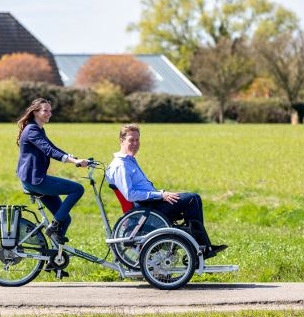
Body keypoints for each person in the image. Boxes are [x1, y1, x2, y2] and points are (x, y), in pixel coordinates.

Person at [105, 124, 227, 259]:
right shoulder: (120, 165)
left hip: (151, 204)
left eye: (137, 140)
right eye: (131, 140)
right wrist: (161, 195)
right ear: (122, 141)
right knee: (192, 199)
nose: (135, 144)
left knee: (194, 199)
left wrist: (161, 194)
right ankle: (200, 248)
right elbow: (130, 195)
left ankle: (201, 246)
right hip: (146, 211)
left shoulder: (129, 161)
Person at [16, 98, 88, 244]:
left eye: (50, 111)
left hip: (36, 179)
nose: (49, 114)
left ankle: (55, 259)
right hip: (35, 180)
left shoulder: (38, 129)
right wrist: (73, 161)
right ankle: (54, 227)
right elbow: (48, 150)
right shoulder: (32, 130)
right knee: (77, 189)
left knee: (65, 219)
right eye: (45, 111)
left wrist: (72, 157)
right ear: (35, 112)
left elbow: (53, 147)